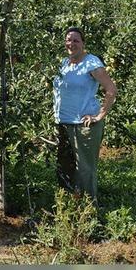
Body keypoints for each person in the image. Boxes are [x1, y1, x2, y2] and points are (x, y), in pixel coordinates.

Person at [52, 26, 117, 204]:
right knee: (65, 165)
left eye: (76, 40)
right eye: (68, 40)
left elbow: (111, 90)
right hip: (63, 123)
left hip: (83, 125)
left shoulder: (91, 63)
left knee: (85, 168)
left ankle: (88, 208)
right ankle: (69, 202)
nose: (71, 43)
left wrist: (99, 116)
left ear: (83, 43)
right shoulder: (64, 64)